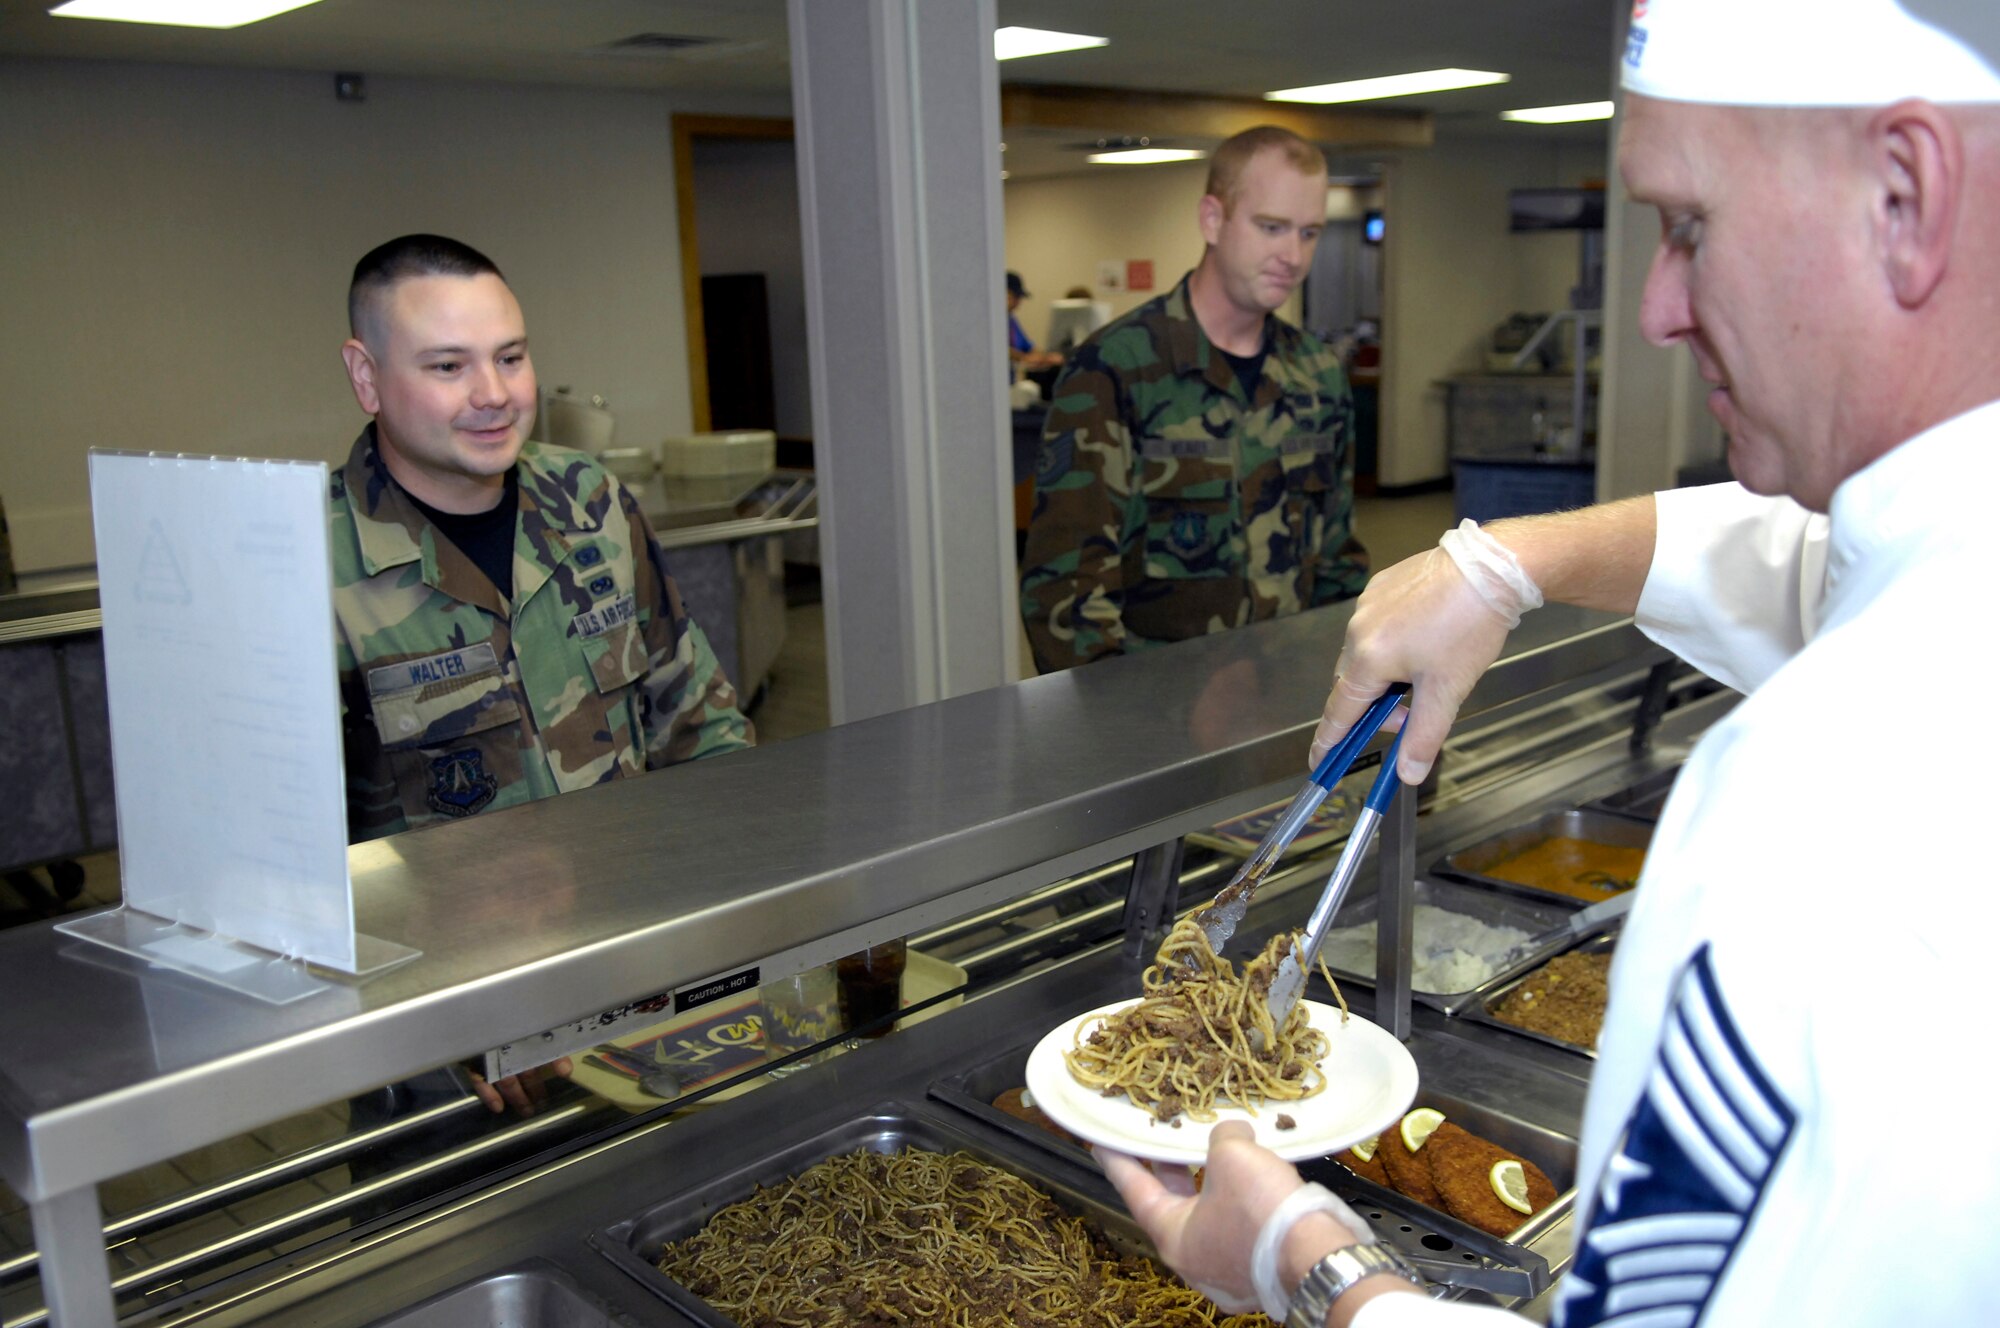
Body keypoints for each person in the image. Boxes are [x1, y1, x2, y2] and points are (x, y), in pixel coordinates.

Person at [1100, 4, 2000, 1326]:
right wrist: (1503, 566)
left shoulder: (1825, 814)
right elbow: (1808, 560)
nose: (1653, 309)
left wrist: (1318, 1272)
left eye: (1690, 227)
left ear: (1908, 194)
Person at [333, 234, 752, 1116]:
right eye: (448, 365)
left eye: (511, 357)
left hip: (642, 1000)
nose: (493, 395)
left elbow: (701, 727)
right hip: (456, 1064)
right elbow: (289, 883)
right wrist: (464, 1011)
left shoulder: (590, 502)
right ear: (366, 377)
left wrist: (736, 929)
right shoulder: (305, 568)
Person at [1018, 125, 1369, 673]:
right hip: (1154, 714)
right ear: (1212, 219)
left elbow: (1337, 565)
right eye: (1271, 227)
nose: (1293, 255)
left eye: (1309, 233)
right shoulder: (1116, 369)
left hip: (1291, 707)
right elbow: (1065, 592)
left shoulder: (1317, 375)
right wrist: (1125, 737)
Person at [1006, 270, 1064, 378]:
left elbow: (1028, 346)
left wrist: (1046, 357)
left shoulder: (1011, 320)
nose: (1018, 303)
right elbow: (1001, 349)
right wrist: (1024, 358)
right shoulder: (993, 324)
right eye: (1015, 297)